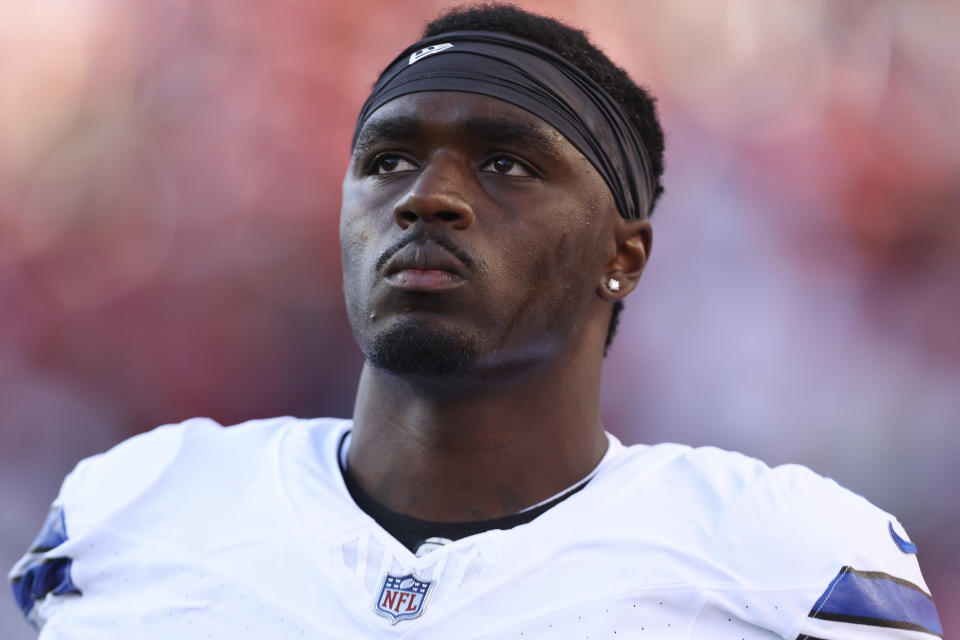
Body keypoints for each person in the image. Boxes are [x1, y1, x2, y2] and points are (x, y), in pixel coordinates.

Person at [10, 5, 942, 639]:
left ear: (624, 256)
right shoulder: (134, 510)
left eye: (506, 164)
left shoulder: (790, 564)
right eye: (387, 161)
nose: (429, 197)